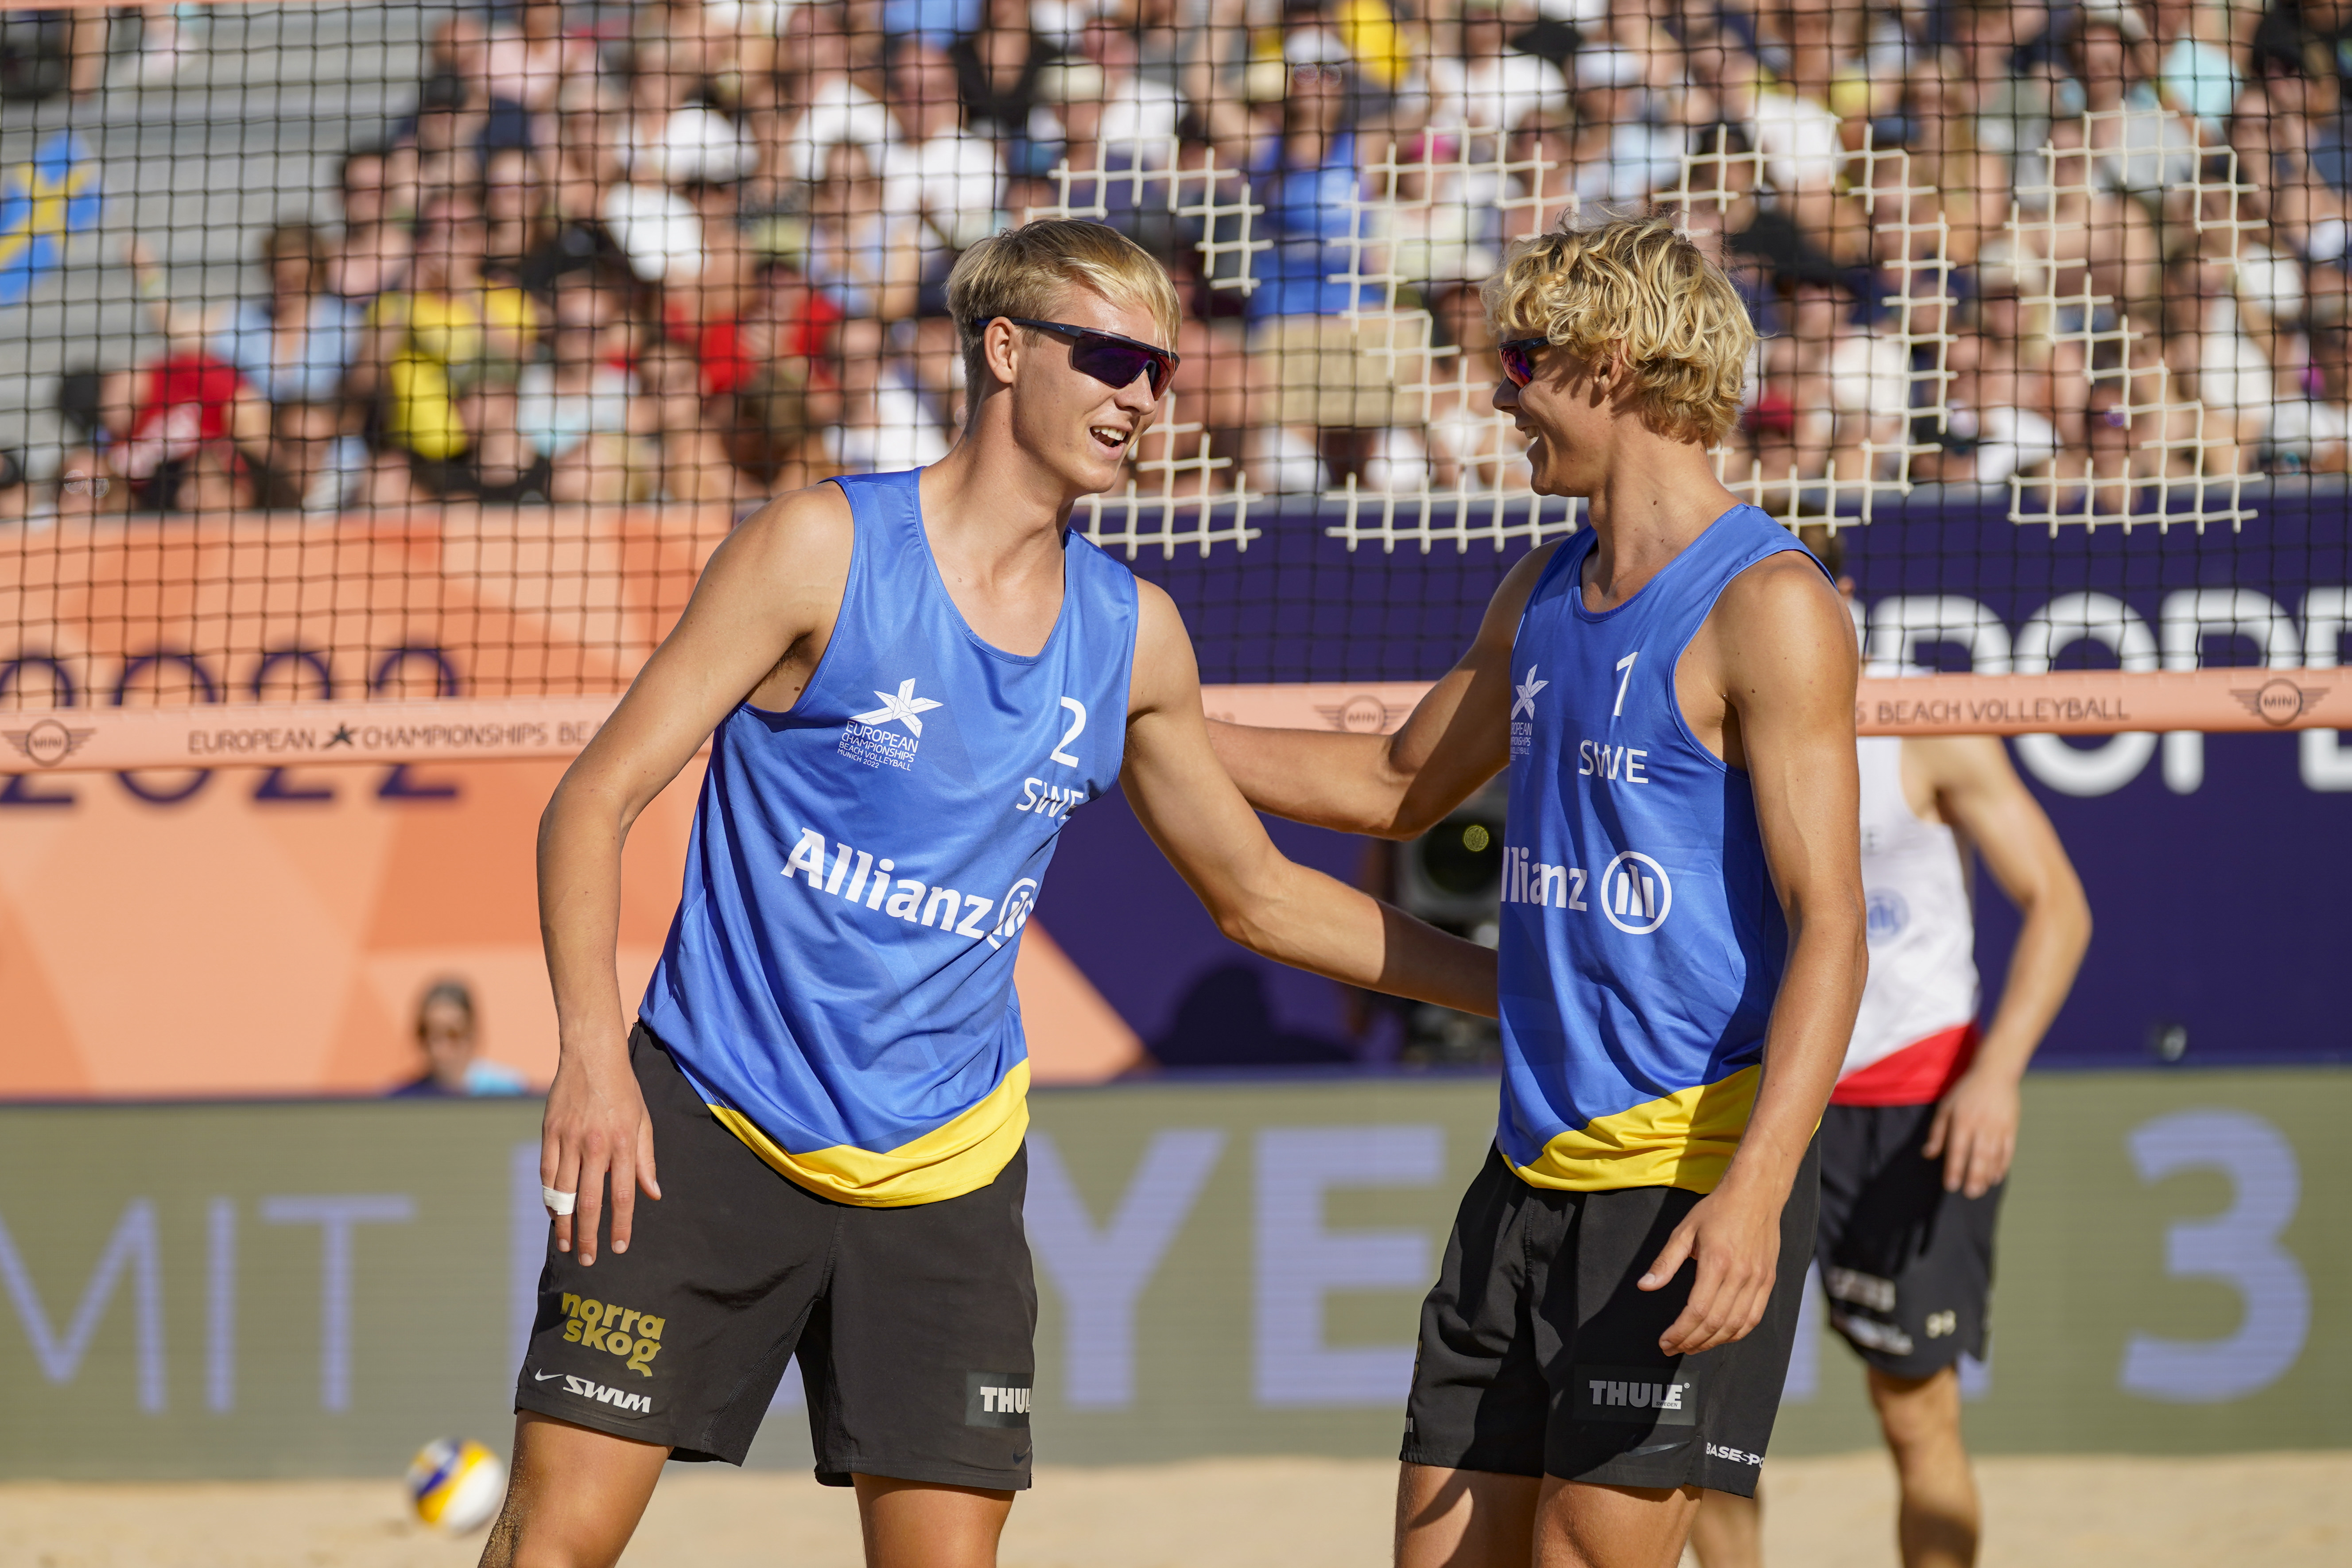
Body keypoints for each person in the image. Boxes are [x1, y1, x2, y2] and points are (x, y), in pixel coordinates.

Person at [486, 219, 1497, 1568]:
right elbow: (591, 800)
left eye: (1162, 372)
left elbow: (1260, 898)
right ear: (1006, 351)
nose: (1141, 397)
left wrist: (1520, 990)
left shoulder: (1131, 631)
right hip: (710, 1119)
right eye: (1112, 359)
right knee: (558, 1542)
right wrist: (591, 1057)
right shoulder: (821, 546)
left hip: (943, 1170)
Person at [1205, 215, 1867, 1568]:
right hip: (1527, 1174)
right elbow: (1397, 785)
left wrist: (1754, 1192)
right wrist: (1144, 716)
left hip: (1684, 1174)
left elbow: (1834, 930)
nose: (1505, 393)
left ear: (1612, 365)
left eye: (1525, 358)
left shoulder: (1770, 603)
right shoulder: (1546, 584)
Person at [1688, 542, 2091, 1568]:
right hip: (1754, 1098)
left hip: (1911, 1101)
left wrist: (1995, 1073)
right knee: (1705, 1427)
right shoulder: (1703, 726)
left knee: (1914, 1413)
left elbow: (2057, 904)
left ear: (1841, 597)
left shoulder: (1923, 726)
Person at [390, 980, 531, 1097]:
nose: (440, 1049)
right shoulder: (401, 1100)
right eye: (430, 1034)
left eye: (453, 1035)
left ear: (472, 1034)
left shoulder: (509, 1094)